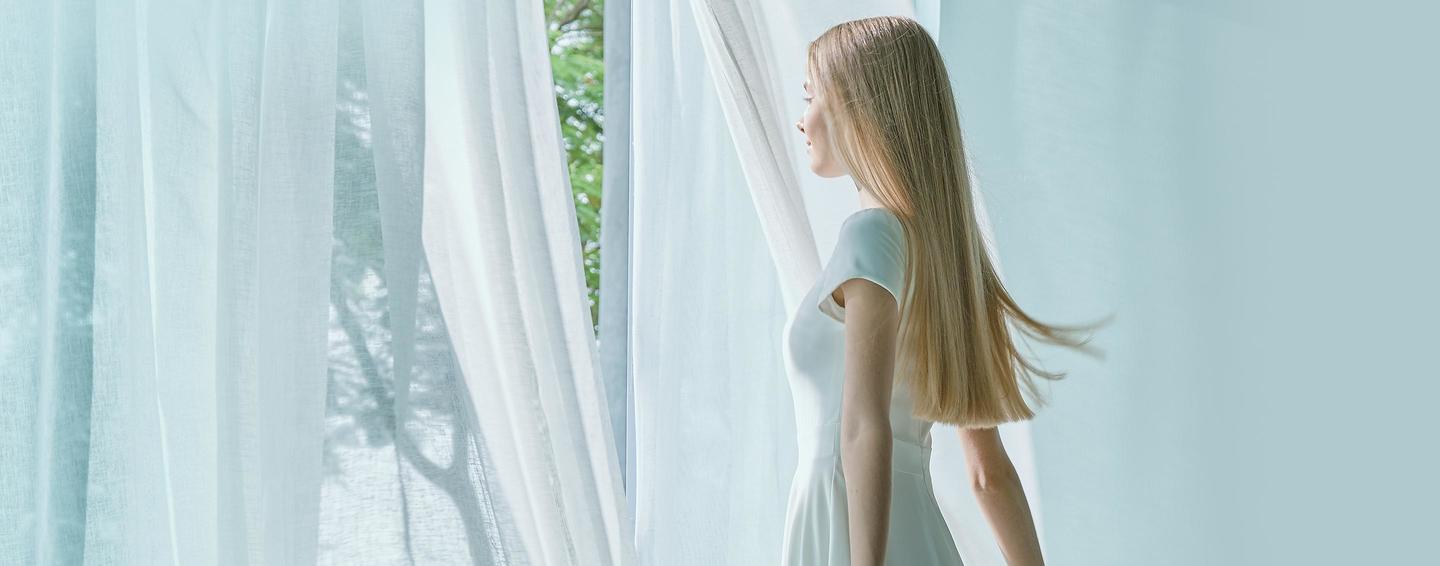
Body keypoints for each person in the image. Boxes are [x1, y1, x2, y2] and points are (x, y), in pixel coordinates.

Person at [783, 15, 1107, 566]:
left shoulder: (869, 235)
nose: (801, 120)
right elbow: (988, 473)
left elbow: (864, 426)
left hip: (852, 530)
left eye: (811, 96)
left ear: (857, 108)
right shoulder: (948, 263)